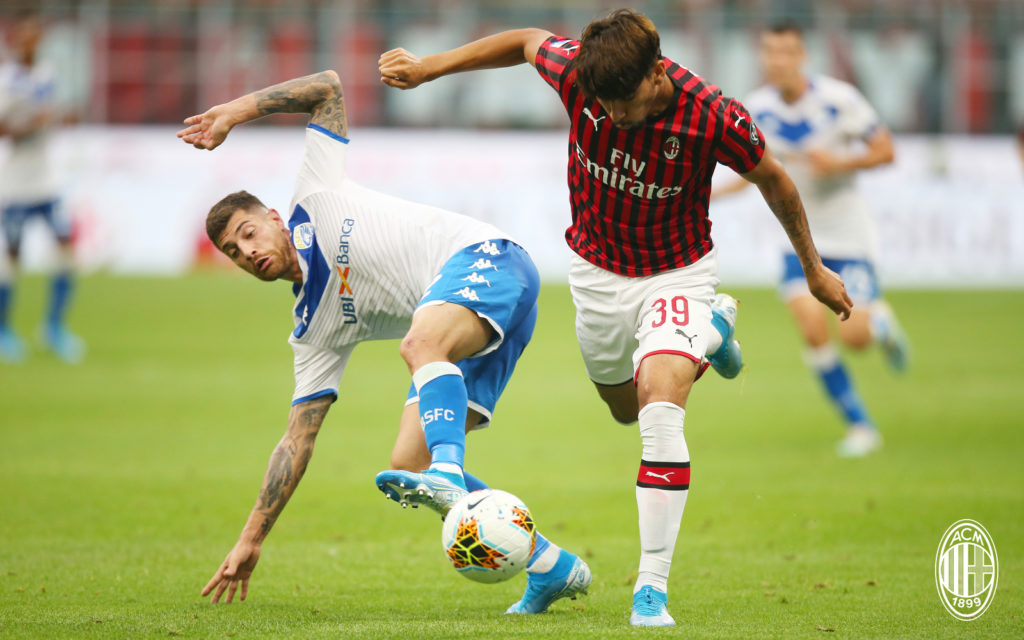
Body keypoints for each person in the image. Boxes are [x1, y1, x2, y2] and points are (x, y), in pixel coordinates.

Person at [378, 8, 851, 627]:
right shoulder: (580, 74)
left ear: (657, 72)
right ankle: (714, 331)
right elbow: (525, 41)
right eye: (604, 105)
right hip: (598, 274)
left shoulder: (714, 115)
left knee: (658, 402)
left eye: (624, 104)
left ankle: (650, 589)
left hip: (677, 273)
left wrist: (813, 269)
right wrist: (431, 67)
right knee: (623, 407)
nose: (615, 117)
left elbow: (777, 181)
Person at [176, 69, 591, 612]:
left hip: (489, 259)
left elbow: (327, 87)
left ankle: (447, 469)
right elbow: (296, 440)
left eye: (249, 232)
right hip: (475, 320)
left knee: (420, 348)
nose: (247, 251)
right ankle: (550, 566)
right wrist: (252, 537)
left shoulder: (315, 195)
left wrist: (233, 111)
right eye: (233, 251)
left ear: (274, 219)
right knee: (408, 462)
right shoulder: (312, 331)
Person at [713, 22, 909, 457]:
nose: (777, 61)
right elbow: (751, 176)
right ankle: (860, 426)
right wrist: (702, 195)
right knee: (812, 328)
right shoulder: (756, 109)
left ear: (802, 57)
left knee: (854, 337)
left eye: (786, 53)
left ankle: (879, 324)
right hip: (798, 242)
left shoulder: (840, 100)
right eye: (770, 52)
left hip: (850, 238)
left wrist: (838, 163)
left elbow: (887, 151)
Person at [0, 10, 82, 363]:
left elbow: (50, 117)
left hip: (48, 181)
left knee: (66, 250)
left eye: (36, 35)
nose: (31, 41)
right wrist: (34, 123)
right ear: (16, 39)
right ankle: (4, 329)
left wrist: (60, 119)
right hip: (17, 183)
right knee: (13, 257)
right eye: (25, 35)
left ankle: (54, 327)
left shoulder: (46, 74)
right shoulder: (7, 80)